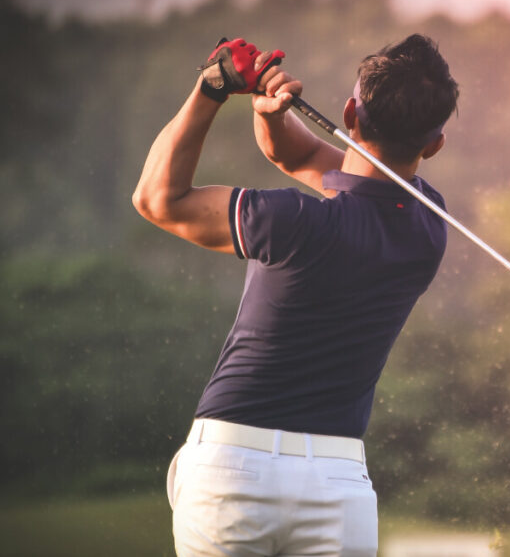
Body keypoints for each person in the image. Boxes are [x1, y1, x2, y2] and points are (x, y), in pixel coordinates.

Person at [132, 34, 459, 556]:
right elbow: (299, 154)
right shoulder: (428, 229)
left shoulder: (288, 221)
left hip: (231, 467)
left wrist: (212, 87)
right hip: (338, 486)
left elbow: (157, 199)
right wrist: (271, 116)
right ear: (434, 144)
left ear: (349, 113)